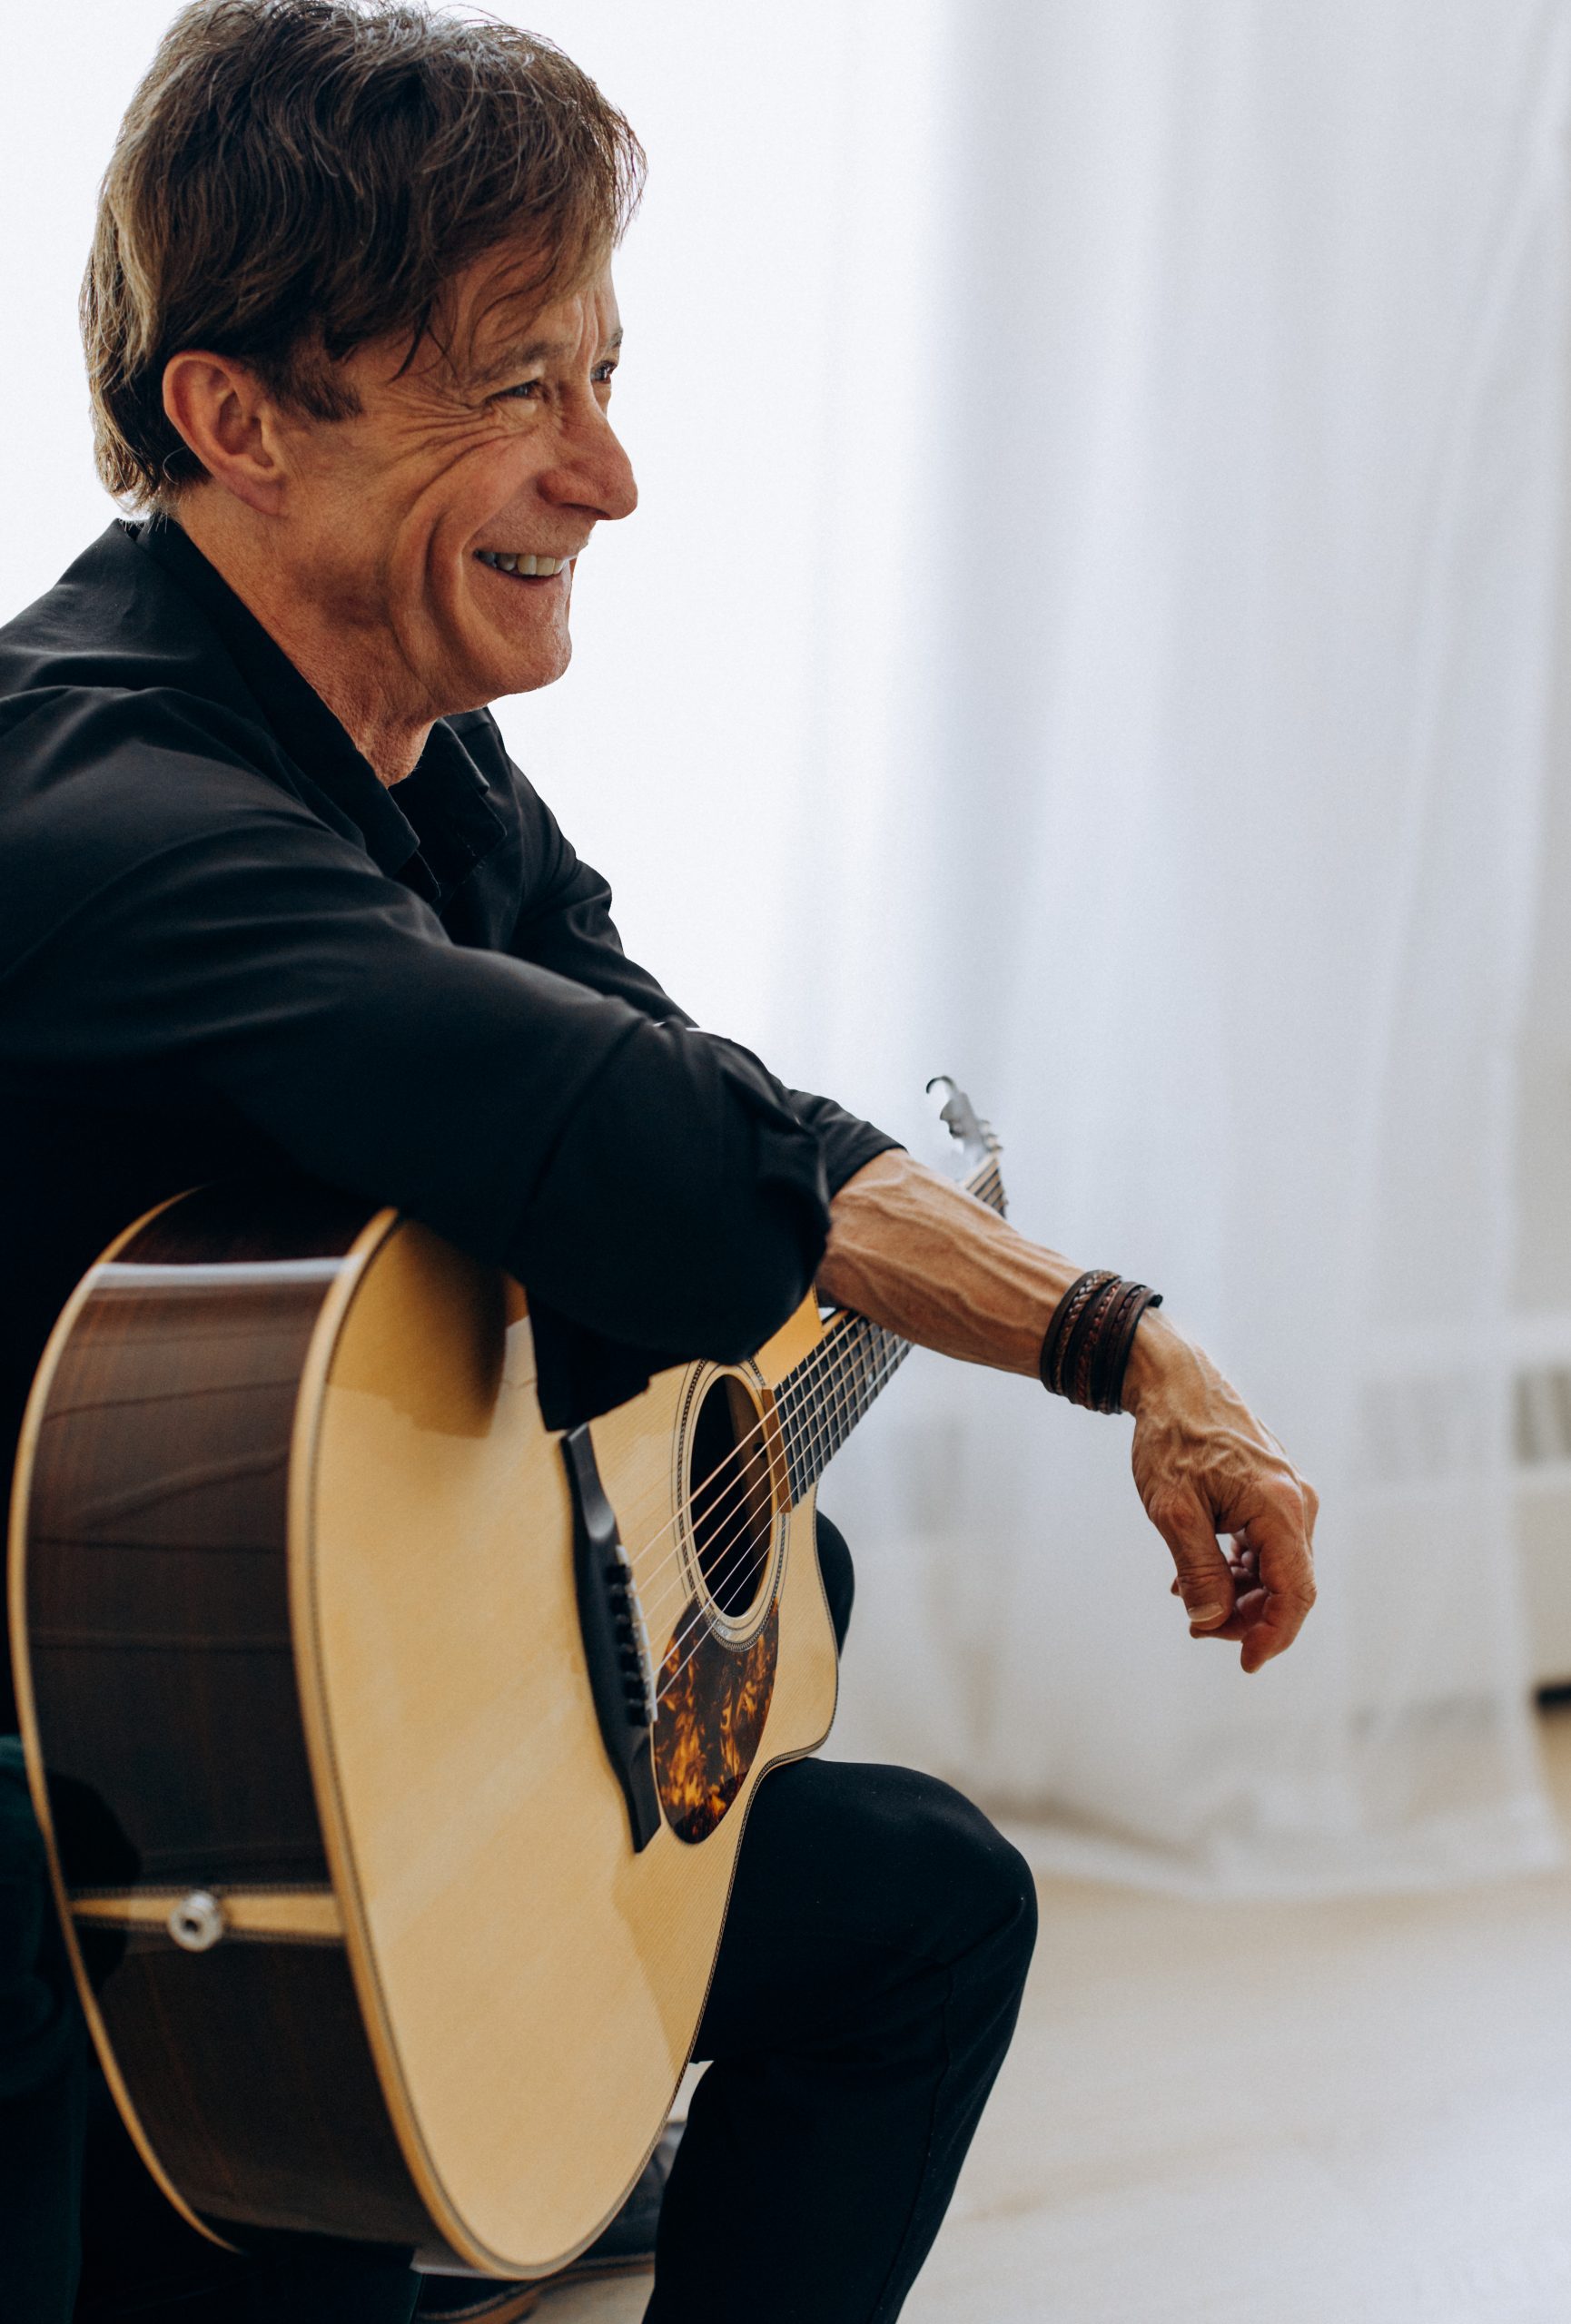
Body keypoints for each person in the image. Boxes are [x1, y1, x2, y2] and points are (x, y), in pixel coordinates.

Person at [0, 5, 1318, 2319]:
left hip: (321, 1768)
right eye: (516, 386)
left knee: (912, 1881)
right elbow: (613, 1134)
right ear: (236, 418)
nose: (607, 475)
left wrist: (1022, 1329)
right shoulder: (92, 797)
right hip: (125, 1865)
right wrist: (1111, 1342)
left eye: (603, 375)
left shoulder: (419, 756)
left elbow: (675, 1080)